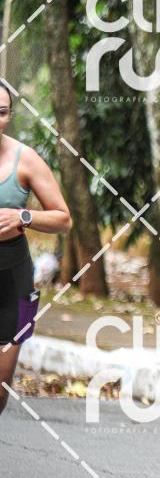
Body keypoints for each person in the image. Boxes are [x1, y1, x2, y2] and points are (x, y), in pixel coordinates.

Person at [0, 81, 72, 420]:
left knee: (0, 390)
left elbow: (63, 219)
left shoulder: (25, 159)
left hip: (13, 278)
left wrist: (23, 216)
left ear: (10, 115)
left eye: (2, 112)